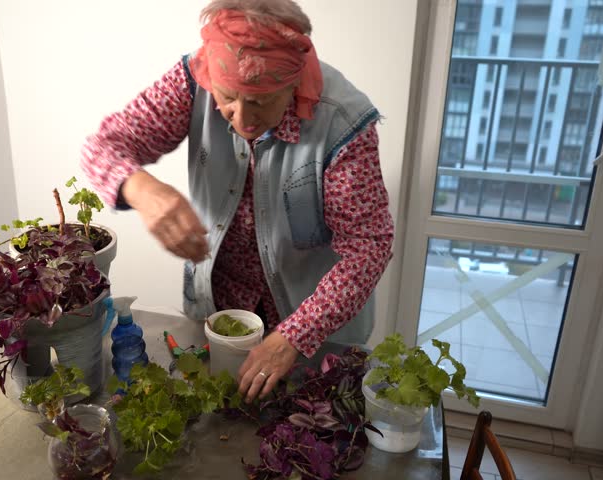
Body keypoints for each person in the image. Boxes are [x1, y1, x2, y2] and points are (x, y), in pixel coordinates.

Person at [81, 0, 393, 402]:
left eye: (260, 102)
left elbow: (368, 245)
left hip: (314, 327)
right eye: (227, 98)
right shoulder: (196, 78)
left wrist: (295, 335)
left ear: (293, 83)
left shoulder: (344, 122)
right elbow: (103, 146)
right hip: (220, 307)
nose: (242, 120)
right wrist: (144, 190)